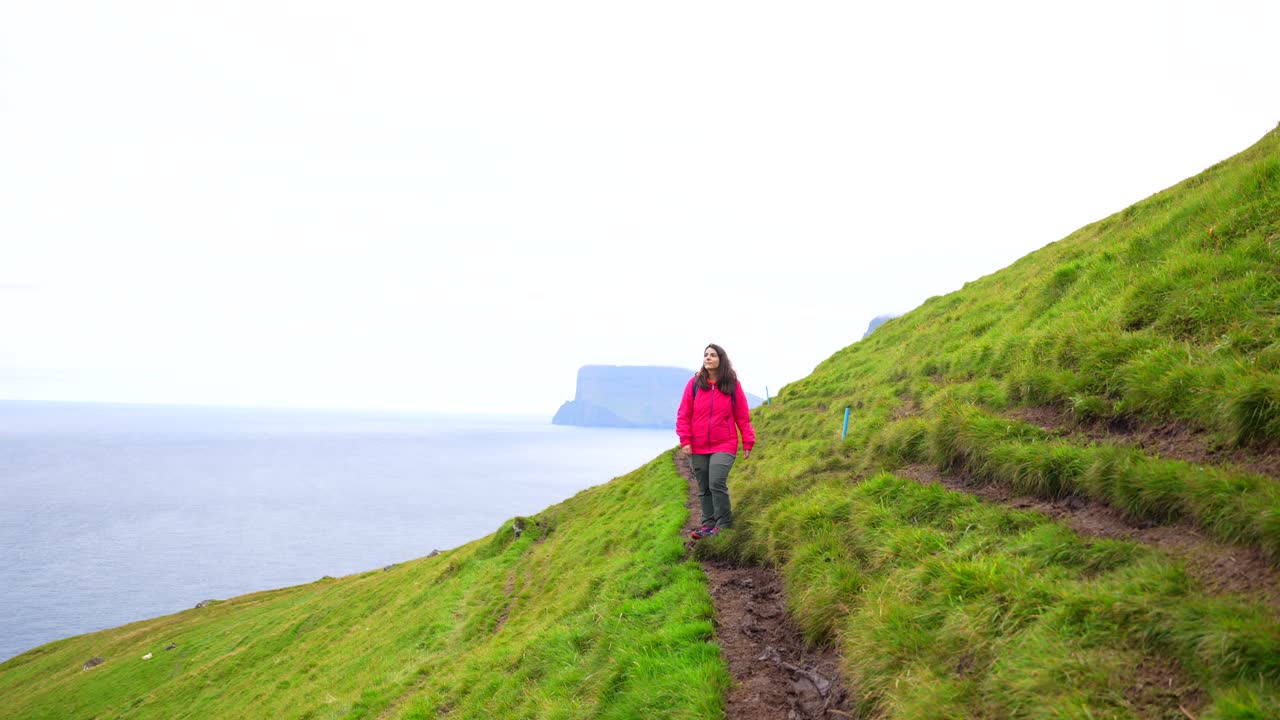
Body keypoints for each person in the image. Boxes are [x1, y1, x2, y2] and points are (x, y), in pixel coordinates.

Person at [676, 343, 756, 539]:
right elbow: (683, 414)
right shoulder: (694, 384)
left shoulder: (732, 385)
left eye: (712, 355)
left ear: (721, 359)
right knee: (703, 487)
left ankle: (723, 525)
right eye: (706, 355)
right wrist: (685, 440)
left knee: (716, 482)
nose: (708, 357)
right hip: (698, 445)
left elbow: (742, 416)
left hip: (724, 443)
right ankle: (708, 525)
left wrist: (747, 440)